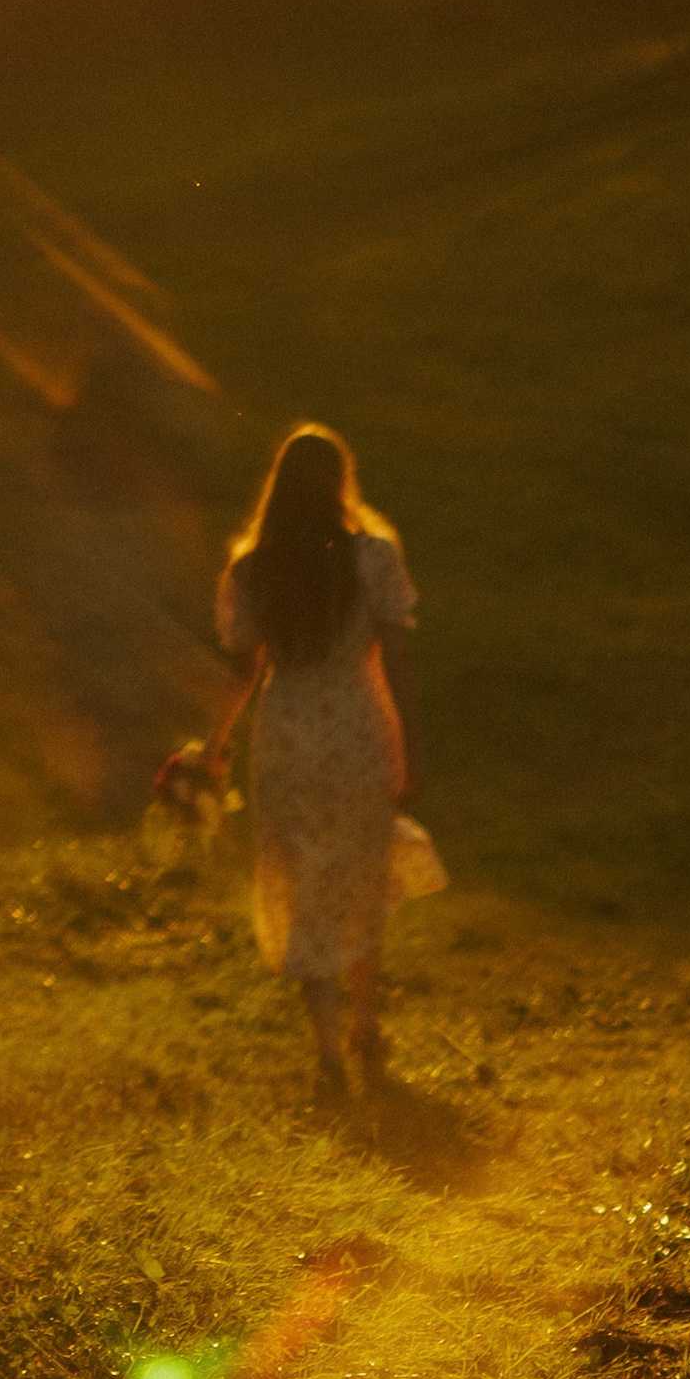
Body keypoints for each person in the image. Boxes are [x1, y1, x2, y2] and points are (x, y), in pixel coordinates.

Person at [209, 422, 424, 1109]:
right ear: (341, 483)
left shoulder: (255, 567)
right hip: (357, 732)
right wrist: (410, 747)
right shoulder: (374, 558)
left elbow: (245, 669)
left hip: (287, 739)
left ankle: (329, 1046)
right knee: (360, 876)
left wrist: (213, 748)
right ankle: (366, 1024)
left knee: (305, 885)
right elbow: (395, 660)